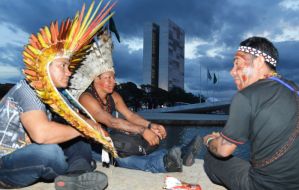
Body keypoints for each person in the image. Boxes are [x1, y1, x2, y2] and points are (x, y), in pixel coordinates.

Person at [0, 2, 115, 189]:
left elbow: (75, 119)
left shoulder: (56, 95)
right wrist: (85, 128)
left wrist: (90, 126)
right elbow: (41, 134)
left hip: (27, 153)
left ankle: (76, 176)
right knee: (50, 153)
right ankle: (72, 171)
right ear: (45, 67)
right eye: (63, 66)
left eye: (69, 67)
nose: (69, 72)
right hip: (5, 163)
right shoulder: (27, 89)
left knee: (76, 136)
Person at [68, 31, 203, 173]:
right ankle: (165, 163)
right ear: (96, 79)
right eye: (108, 78)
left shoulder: (113, 96)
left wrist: (151, 125)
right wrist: (143, 130)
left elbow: (131, 116)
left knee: (136, 146)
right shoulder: (86, 98)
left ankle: (181, 153)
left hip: (108, 140)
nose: (113, 82)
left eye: (113, 78)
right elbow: (111, 122)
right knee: (124, 158)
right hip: (90, 147)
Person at [203, 36, 299, 189]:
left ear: (259, 62)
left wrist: (209, 140)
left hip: (263, 185)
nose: (232, 71)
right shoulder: (295, 89)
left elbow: (223, 151)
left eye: (238, 64)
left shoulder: (246, 96)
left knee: (211, 159)